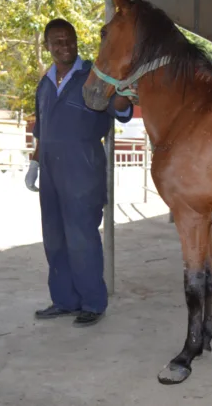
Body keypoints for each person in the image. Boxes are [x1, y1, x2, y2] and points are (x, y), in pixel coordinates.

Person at [25, 18, 133, 327]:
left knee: (81, 237)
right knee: (54, 238)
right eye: (57, 42)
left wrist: (126, 92)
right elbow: (42, 130)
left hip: (83, 167)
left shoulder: (93, 77)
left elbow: (120, 110)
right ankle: (64, 300)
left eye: (69, 40)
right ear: (47, 46)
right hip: (50, 171)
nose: (65, 46)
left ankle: (92, 303)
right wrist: (34, 163)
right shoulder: (45, 83)